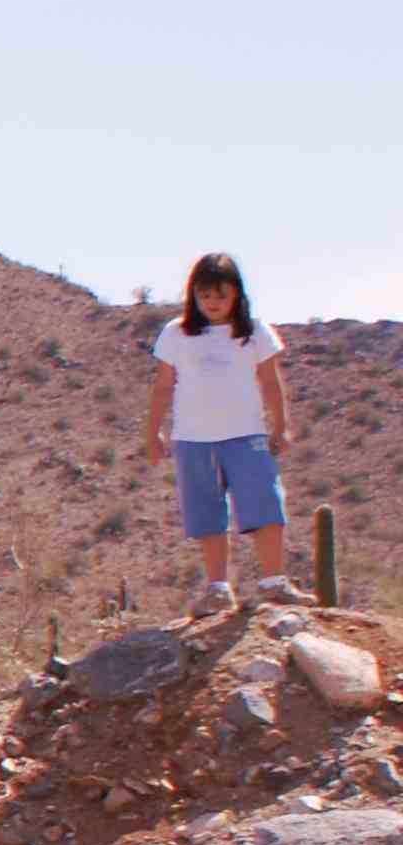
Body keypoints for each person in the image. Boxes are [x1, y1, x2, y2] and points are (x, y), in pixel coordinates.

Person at [141, 254, 294, 612]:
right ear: (193, 295)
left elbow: (270, 382)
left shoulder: (255, 332)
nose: (212, 303)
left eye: (220, 295)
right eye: (204, 295)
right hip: (193, 438)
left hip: (246, 434)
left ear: (236, 294)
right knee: (206, 512)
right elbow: (163, 386)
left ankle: (274, 582)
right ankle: (218, 588)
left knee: (265, 504)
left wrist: (281, 426)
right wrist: (153, 433)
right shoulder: (176, 333)